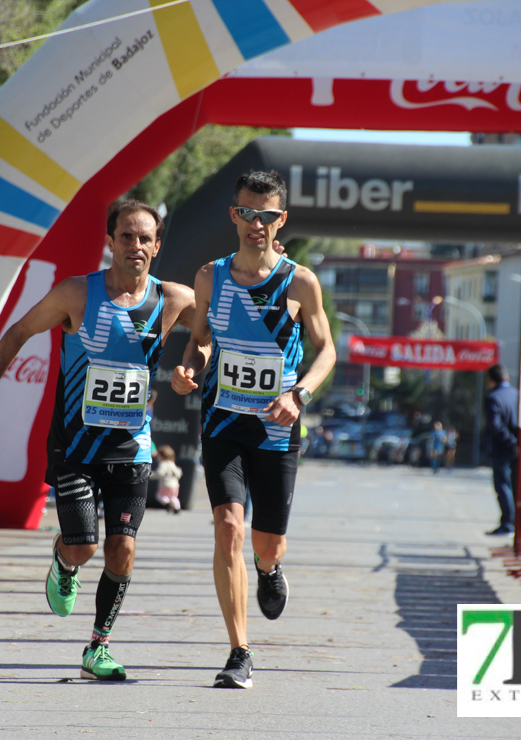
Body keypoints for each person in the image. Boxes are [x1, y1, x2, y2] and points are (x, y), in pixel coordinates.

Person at [0, 200, 195, 682]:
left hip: (132, 447)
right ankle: (64, 558)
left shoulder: (173, 299)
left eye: (144, 238)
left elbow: (214, 326)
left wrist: (197, 359)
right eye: (126, 237)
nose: (135, 246)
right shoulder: (77, 294)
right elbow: (18, 332)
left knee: (122, 551)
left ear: (157, 245)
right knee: (84, 547)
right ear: (110, 242)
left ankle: (99, 646)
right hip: (76, 447)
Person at [172, 170, 336, 689]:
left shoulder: (299, 282)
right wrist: (189, 369)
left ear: (280, 220)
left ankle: (268, 569)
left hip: (277, 429)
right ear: (234, 216)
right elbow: (199, 340)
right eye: (247, 212)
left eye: (267, 216)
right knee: (227, 528)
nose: (256, 224)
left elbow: (327, 350)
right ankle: (239, 651)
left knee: (266, 543)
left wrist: (298, 395)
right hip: (224, 423)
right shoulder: (209, 278)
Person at [485, 363, 519, 536]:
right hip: (519, 448)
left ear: (491, 380)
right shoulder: (517, 395)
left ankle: (508, 523)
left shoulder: (493, 397)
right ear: (507, 378)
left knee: (503, 486)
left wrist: (510, 441)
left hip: (502, 449)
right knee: (516, 486)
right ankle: (517, 522)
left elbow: (495, 425)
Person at [151, 444, 182, 513]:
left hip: (165, 485)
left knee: (159, 496)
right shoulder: (172, 463)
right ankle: (177, 508)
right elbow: (178, 472)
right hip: (175, 485)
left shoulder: (163, 464)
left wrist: (150, 475)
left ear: (162, 456)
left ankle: (167, 504)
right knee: (173, 497)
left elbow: (160, 473)